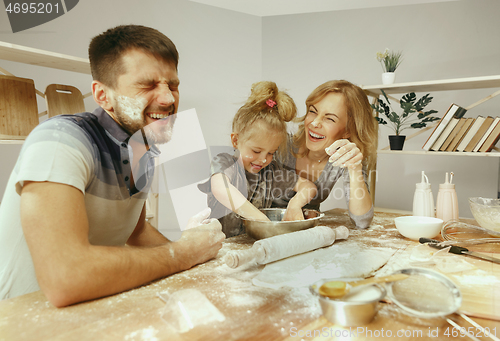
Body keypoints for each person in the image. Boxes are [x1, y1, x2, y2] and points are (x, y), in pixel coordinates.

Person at [0, 25, 225, 306]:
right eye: (148, 85)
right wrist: (182, 254)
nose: (169, 99)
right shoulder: (60, 141)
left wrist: (196, 257)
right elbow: (65, 277)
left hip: (91, 312)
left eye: (173, 84)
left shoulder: (143, 148)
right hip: (22, 322)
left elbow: (136, 231)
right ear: (102, 95)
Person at [198, 81, 317, 237]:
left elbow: (309, 186)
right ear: (235, 141)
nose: (262, 160)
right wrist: (261, 220)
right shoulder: (225, 163)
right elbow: (221, 189)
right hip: (219, 246)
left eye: (271, 153)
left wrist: (295, 204)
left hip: (252, 245)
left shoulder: (270, 172)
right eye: (256, 151)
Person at [272, 80, 377, 228]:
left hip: (302, 232)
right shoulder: (279, 145)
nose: (314, 123)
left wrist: (354, 170)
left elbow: (362, 221)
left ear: (348, 130)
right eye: (313, 111)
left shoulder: (345, 156)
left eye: (329, 118)